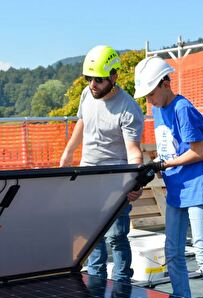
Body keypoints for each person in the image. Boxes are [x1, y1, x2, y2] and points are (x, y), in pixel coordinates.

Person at [134, 56, 203, 298]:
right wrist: (159, 166)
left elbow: (198, 152)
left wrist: (164, 164)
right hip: (176, 189)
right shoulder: (160, 110)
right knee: (173, 252)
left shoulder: (182, 109)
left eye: (150, 92)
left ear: (164, 83)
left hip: (196, 188)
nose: (148, 99)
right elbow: (170, 151)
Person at [59, 45, 144, 283]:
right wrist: (68, 153)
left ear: (114, 76)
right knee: (91, 236)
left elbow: (133, 151)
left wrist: (136, 181)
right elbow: (83, 122)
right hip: (88, 177)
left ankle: (121, 287)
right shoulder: (87, 94)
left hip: (115, 181)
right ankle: (96, 285)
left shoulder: (128, 108)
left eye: (98, 79)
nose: (92, 84)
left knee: (116, 237)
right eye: (88, 78)